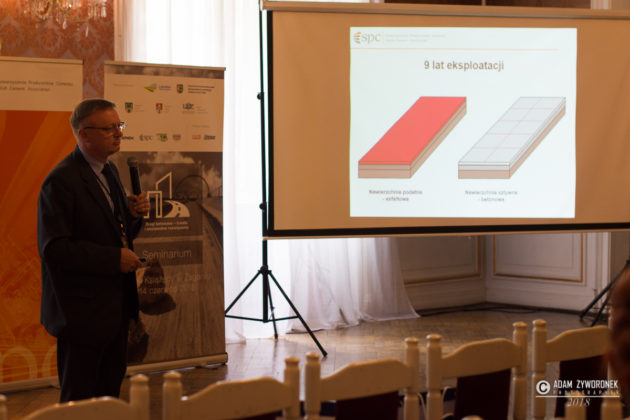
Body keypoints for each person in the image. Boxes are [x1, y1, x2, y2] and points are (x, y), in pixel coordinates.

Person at [37, 99, 150, 402]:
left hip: (115, 308)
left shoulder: (109, 170)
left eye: (119, 125)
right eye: (109, 128)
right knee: (80, 401)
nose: (119, 133)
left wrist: (133, 217)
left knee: (108, 397)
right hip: (82, 314)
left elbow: (117, 233)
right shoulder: (61, 180)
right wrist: (114, 259)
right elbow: (55, 249)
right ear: (84, 134)